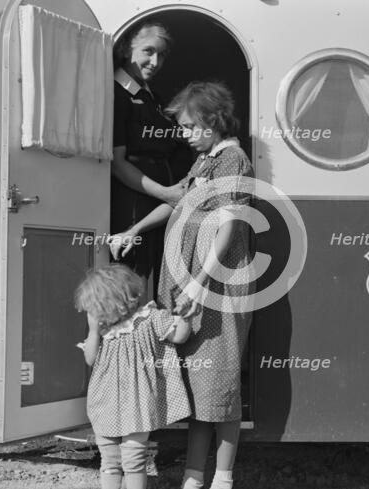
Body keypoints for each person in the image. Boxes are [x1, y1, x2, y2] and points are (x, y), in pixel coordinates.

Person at [110, 81, 254, 489]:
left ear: (213, 121)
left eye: (191, 125)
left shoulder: (233, 159)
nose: (184, 133)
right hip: (192, 284)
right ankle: (193, 476)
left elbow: (229, 226)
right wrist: (134, 229)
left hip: (217, 285)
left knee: (220, 381)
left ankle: (222, 478)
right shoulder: (205, 160)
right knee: (199, 383)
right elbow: (177, 200)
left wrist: (201, 283)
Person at [75, 264, 192, 489]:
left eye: (95, 308)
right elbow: (90, 359)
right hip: (104, 404)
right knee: (109, 461)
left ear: (116, 302)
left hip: (137, 404)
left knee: (133, 459)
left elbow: (179, 336)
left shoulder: (149, 318)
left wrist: (186, 318)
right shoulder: (103, 331)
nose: (92, 314)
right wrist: (92, 330)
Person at [111, 21, 188, 295]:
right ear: (126, 48)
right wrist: (166, 193)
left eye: (161, 55)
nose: (155, 62)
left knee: (155, 277)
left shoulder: (151, 96)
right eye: (148, 51)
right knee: (134, 278)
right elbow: (118, 163)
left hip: (159, 200)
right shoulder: (118, 93)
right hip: (135, 199)